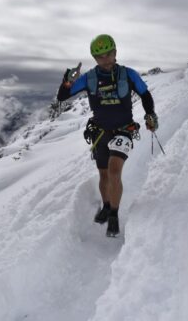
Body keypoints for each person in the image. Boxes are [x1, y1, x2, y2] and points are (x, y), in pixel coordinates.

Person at [57, 34, 158, 237]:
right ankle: (105, 205)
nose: (104, 59)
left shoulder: (128, 75)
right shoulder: (89, 78)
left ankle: (113, 213)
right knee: (103, 174)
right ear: (95, 58)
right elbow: (62, 97)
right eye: (99, 56)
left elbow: (145, 95)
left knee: (113, 171)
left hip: (123, 129)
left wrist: (150, 115)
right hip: (100, 131)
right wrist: (67, 81)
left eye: (107, 55)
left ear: (115, 53)